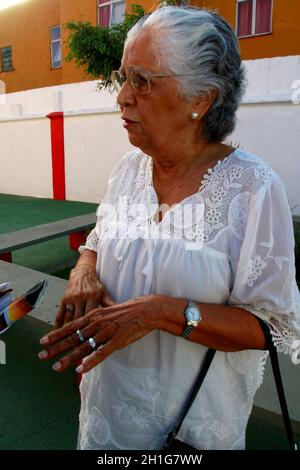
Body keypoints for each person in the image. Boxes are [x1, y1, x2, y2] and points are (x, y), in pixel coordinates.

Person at [38, 6, 300, 450]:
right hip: (106, 417)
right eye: (124, 77)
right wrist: (84, 268)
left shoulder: (252, 188)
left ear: (201, 99)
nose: (122, 96)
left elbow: (271, 325)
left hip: (190, 432)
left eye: (141, 81)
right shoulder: (129, 171)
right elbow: (100, 237)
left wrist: (162, 312)